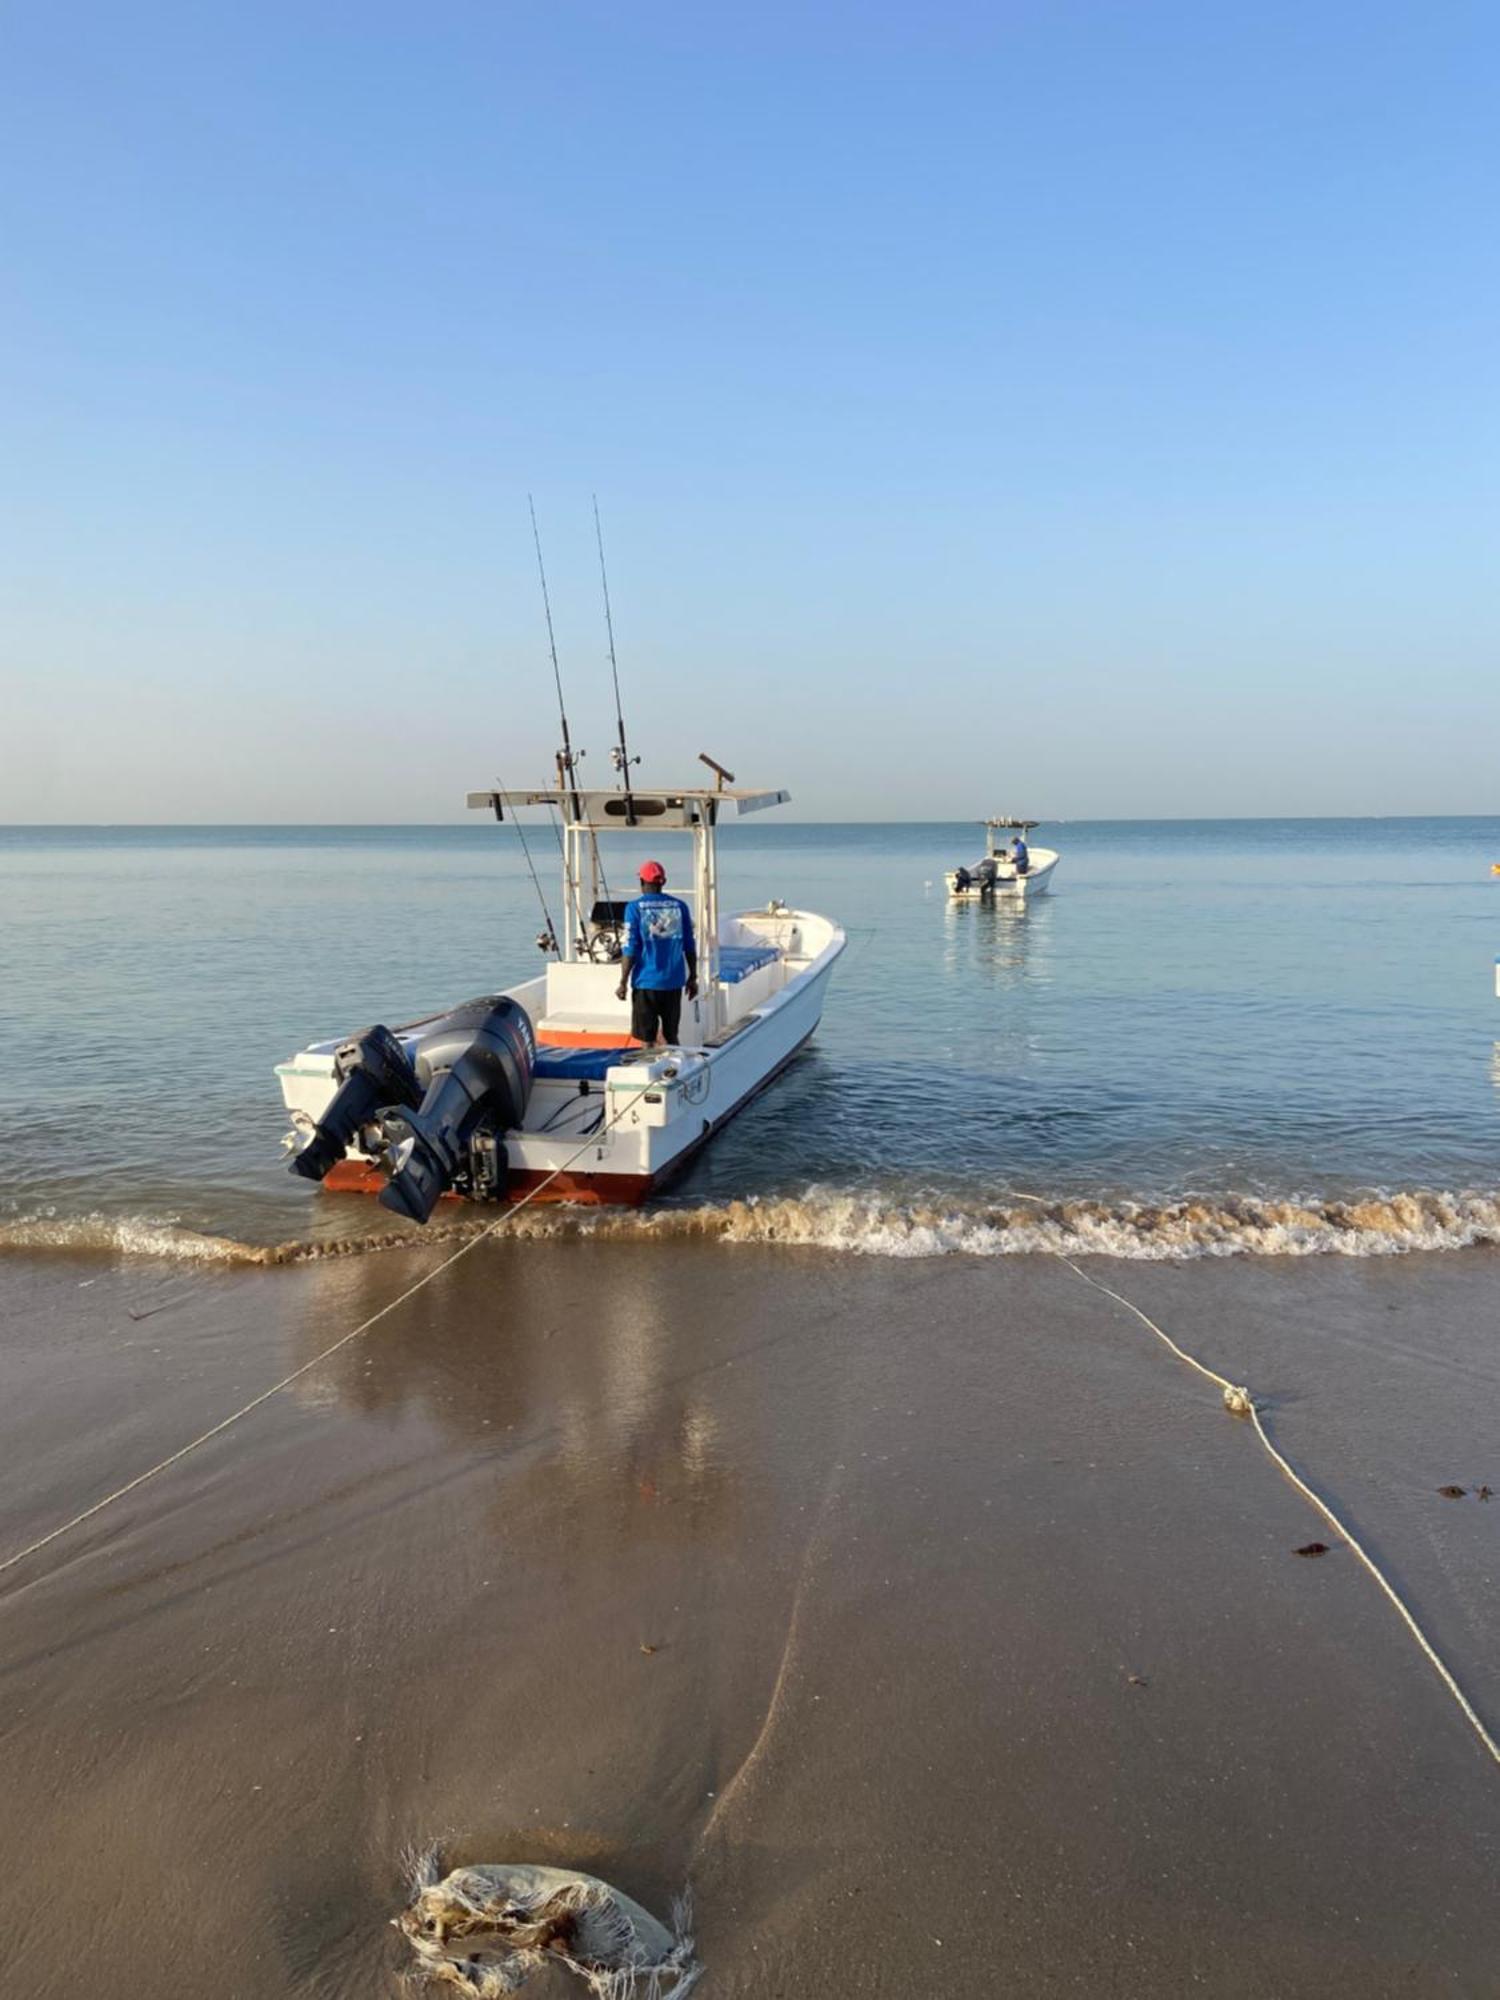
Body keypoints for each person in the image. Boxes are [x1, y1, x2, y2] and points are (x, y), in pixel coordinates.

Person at [614, 860, 698, 1046]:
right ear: (663, 882)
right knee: (671, 1035)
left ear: (642, 882)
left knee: (647, 1039)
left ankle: (650, 1069)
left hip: (646, 983)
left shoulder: (634, 908)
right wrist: (693, 977)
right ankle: (676, 1069)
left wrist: (622, 982)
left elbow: (630, 948)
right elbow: (689, 945)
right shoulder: (680, 907)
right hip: (673, 983)